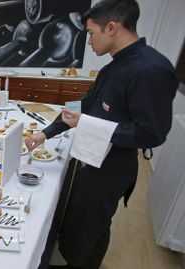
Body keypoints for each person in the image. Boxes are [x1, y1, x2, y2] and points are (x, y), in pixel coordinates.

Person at [25, 1, 179, 268]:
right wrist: (45, 133)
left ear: (111, 27)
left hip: (111, 169)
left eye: (90, 33)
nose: (88, 41)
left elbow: (152, 133)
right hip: (88, 158)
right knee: (75, 219)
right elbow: (84, 105)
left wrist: (89, 124)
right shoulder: (112, 67)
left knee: (90, 227)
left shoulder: (152, 69)